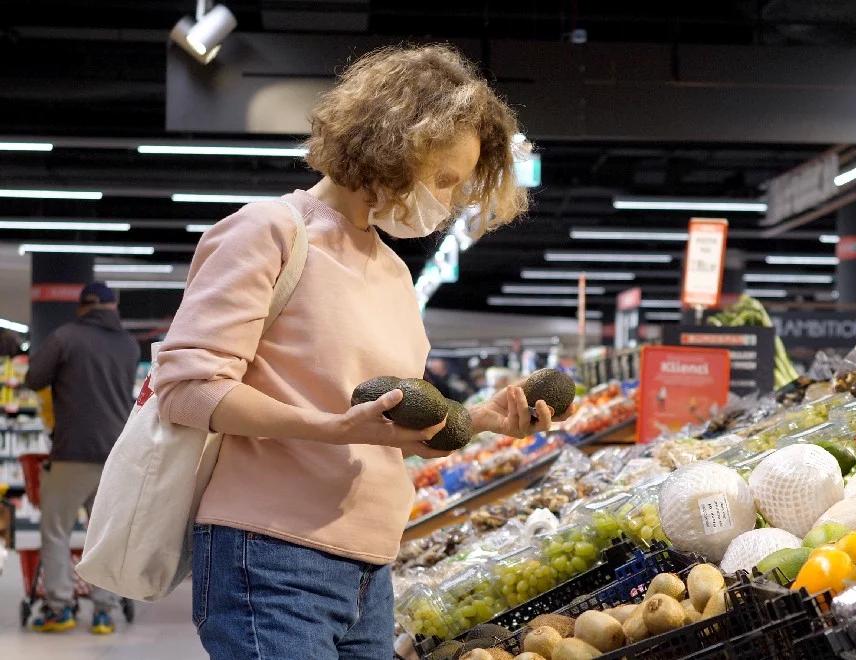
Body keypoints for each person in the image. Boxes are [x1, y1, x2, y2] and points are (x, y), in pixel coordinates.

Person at [152, 45, 567, 660]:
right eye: (444, 178)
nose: (448, 201)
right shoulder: (269, 230)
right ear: (395, 142)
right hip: (271, 557)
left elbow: (387, 418)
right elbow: (187, 389)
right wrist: (329, 428)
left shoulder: (394, 272)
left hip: (371, 567)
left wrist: (478, 420)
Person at [24, 281, 139, 635]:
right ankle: (104, 611)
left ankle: (60, 608)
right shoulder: (129, 345)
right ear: (112, 307)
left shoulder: (65, 337)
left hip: (72, 451)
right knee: (103, 533)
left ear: (82, 307)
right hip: (115, 455)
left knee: (57, 530)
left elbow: (33, 379)